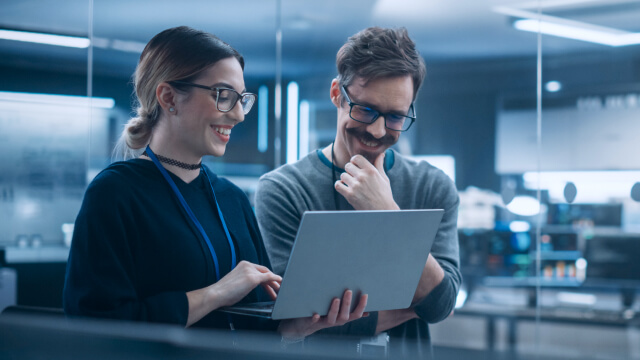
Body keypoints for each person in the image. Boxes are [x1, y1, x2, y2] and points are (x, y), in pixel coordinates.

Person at [63, 26, 367, 339]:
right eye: (224, 96)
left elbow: (258, 329)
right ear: (169, 97)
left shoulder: (231, 198)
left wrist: (297, 327)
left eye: (242, 100)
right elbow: (95, 326)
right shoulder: (115, 194)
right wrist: (216, 293)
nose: (238, 115)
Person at [255, 26, 461, 349]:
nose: (378, 131)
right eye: (365, 110)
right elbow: (292, 318)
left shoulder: (433, 186)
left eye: (395, 117)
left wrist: (387, 212)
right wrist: (416, 305)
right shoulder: (282, 190)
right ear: (337, 94)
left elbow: (441, 303)